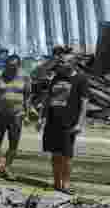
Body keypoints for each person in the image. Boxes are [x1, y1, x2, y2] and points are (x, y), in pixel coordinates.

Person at [37, 60, 89, 194]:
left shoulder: (80, 78)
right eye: (61, 62)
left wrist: (79, 123)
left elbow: (84, 103)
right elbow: (48, 98)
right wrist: (41, 117)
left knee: (66, 155)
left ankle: (66, 184)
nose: (62, 65)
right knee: (55, 154)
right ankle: (56, 183)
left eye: (65, 62)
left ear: (73, 63)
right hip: (52, 121)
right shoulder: (56, 77)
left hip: (69, 122)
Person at [0, 54, 31, 180]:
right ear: (5, 65)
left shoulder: (25, 76)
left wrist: (26, 113)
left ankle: (7, 168)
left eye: (14, 67)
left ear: (19, 66)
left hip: (17, 114)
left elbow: (27, 96)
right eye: (9, 66)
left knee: (14, 143)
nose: (11, 69)